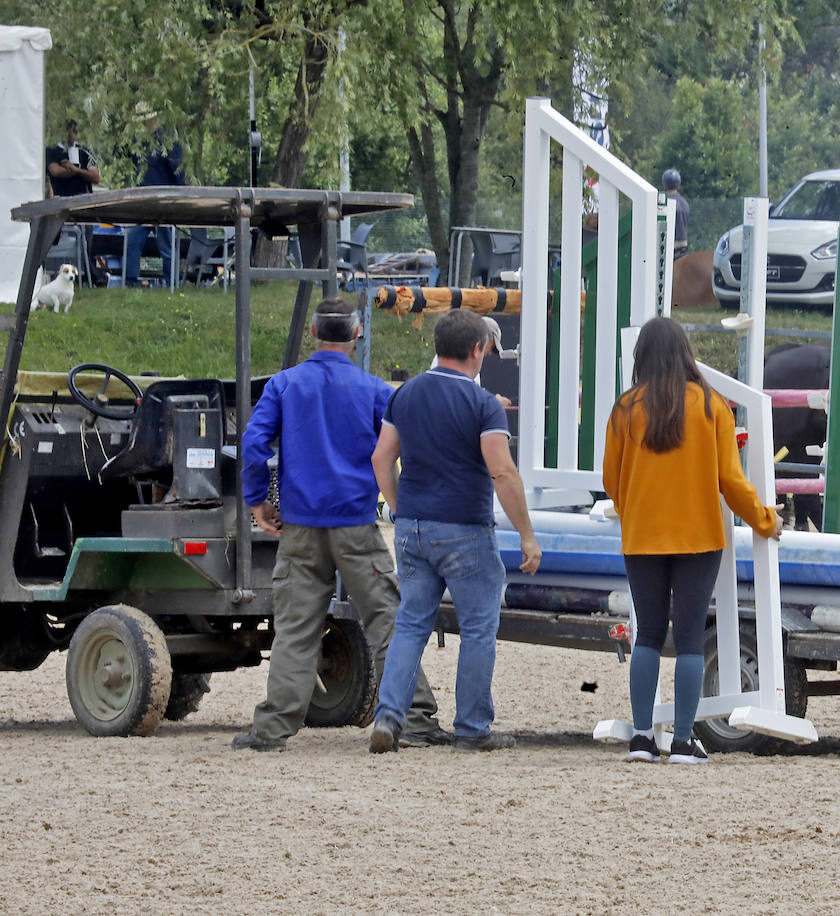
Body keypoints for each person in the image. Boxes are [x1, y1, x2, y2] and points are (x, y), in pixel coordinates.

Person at [231, 299, 452, 752]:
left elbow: (253, 445)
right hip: (356, 526)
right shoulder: (374, 390)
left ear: (313, 333)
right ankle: (413, 719)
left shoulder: (285, 385)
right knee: (388, 621)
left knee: (295, 628)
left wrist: (258, 502)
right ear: (357, 335)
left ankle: (271, 730)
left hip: (299, 528)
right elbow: (401, 450)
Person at [602, 317, 784, 765]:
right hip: (699, 535)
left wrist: (637, 507)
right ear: (686, 352)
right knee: (686, 638)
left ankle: (642, 738)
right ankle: (683, 741)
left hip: (643, 535)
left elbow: (611, 479)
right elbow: (730, 480)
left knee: (647, 633)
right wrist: (765, 520)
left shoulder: (625, 408)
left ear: (640, 356)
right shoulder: (710, 405)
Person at [369, 308, 541, 754]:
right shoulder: (483, 405)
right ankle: (471, 728)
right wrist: (526, 534)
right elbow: (501, 472)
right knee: (479, 628)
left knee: (409, 625)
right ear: (477, 350)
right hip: (465, 527)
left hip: (413, 527)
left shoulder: (405, 394)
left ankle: (389, 717)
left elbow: (381, 458)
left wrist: (399, 507)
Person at [124, 101, 185, 287]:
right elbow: (123, 155)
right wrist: (126, 134)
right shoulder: (137, 142)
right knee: (133, 242)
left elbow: (178, 172)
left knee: (166, 246)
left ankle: (171, 282)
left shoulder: (168, 141)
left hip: (165, 200)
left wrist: (178, 199)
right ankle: (130, 282)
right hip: (142, 200)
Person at [46, 119, 101, 197]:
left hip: (84, 199)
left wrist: (76, 170)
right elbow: (56, 171)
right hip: (62, 201)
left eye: (73, 130)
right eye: (66, 130)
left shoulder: (84, 151)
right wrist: (82, 172)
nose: (69, 134)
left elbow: (96, 177)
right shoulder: (52, 151)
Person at [662, 168, 690, 259]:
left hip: (669, 247)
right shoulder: (684, 203)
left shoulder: (664, 203)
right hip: (683, 247)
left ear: (665, 184)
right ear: (678, 184)